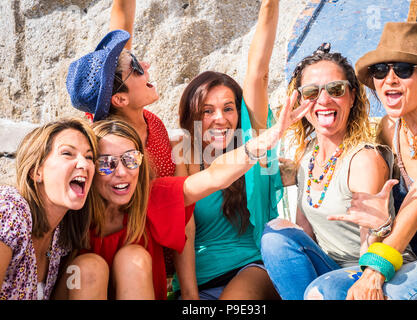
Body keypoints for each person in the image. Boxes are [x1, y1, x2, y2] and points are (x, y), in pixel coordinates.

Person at [54, 87, 309, 299]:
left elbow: (213, 176)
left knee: (132, 257)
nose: (121, 172)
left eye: (130, 159)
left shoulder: (151, 197)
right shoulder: (75, 204)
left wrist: (264, 140)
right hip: (80, 288)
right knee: (89, 267)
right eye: (106, 163)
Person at [303, 21, 417, 300]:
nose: (390, 79)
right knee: (323, 291)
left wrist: (376, 270)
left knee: (384, 291)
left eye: (403, 70)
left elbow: (416, 204)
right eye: (381, 70)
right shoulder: (390, 129)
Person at [259, 42, 417, 300]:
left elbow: (372, 243)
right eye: (311, 92)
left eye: (336, 89)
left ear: (352, 96)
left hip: (377, 269)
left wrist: (369, 276)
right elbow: (304, 232)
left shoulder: (363, 159)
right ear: (300, 101)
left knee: (323, 291)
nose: (323, 100)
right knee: (275, 234)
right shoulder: (307, 155)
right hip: (332, 268)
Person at [65, 0, 195, 289]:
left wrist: (190, 295)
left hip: (144, 262)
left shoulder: (156, 126)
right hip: (94, 270)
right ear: (119, 99)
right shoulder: (100, 138)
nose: (146, 64)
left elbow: (180, 208)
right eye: (137, 66)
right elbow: (119, 28)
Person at [172, 0, 284, 300]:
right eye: (207, 110)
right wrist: (191, 298)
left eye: (228, 108)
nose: (219, 118)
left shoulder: (253, 143)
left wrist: (269, 5)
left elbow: (258, 71)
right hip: (198, 282)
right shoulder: (184, 155)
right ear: (192, 115)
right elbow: (185, 234)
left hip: (250, 269)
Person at [0, 118, 98, 300]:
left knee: (92, 265)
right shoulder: (9, 208)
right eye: (68, 153)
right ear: (37, 171)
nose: (84, 164)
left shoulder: (61, 238)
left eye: (89, 157)